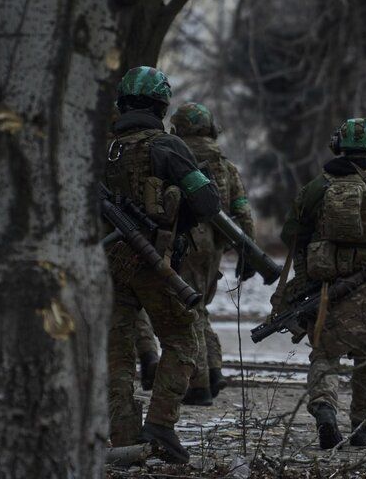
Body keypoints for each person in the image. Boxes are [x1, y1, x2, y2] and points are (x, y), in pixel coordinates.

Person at [275, 118, 366, 449]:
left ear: (337, 145)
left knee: (325, 354)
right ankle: (364, 428)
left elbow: (290, 234)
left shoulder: (316, 186)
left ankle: (325, 408)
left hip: (322, 286)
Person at [105, 66, 220, 463]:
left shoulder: (103, 149)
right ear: (161, 104)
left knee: (115, 354)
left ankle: (121, 435)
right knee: (184, 341)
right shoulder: (168, 147)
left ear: (121, 103)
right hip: (156, 264)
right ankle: (159, 424)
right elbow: (207, 203)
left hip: (107, 267)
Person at [134, 102, 257, 405]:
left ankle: (198, 385)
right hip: (216, 243)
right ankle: (214, 371)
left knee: (187, 311)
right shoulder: (224, 163)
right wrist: (247, 250)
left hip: (183, 237)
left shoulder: (170, 151)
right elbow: (242, 209)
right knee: (200, 307)